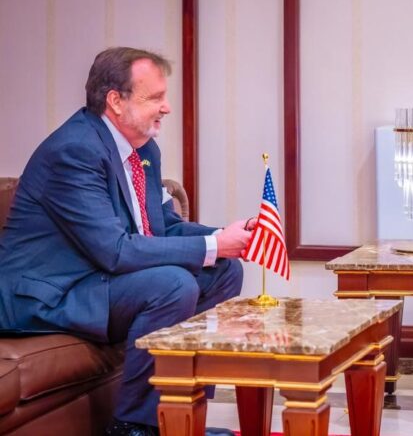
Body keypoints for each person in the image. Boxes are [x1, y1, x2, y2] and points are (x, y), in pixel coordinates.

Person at [0, 47, 255, 436]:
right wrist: (215, 245)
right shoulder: (74, 151)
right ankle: (134, 426)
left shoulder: (143, 150)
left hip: (95, 279)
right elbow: (115, 250)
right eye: (154, 97)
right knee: (172, 284)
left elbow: (161, 227)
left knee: (224, 271)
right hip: (48, 295)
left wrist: (224, 238)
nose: (166, 107)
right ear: (115, 101)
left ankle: (183, 417)